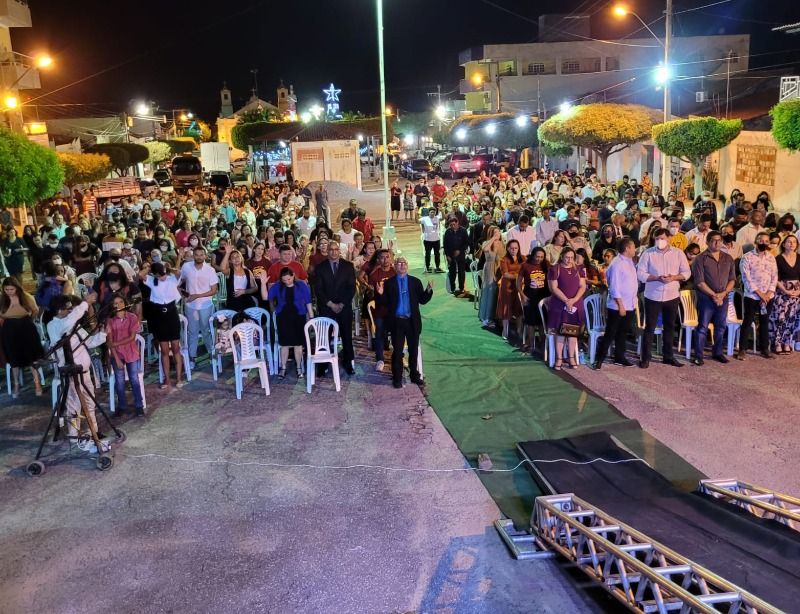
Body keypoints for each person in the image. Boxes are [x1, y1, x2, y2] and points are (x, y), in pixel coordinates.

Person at [46, 293, 102, 453]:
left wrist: (103, 334)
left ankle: (94, 433)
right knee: (74, 407)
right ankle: (74, 438)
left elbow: (89, 342)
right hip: (71, 374)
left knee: (90, 404)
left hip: (84, 372)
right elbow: (67, 323)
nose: (72, 311)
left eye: (72, 309)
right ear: (58, 310)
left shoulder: (73, 324)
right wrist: (84, 304)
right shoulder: (54, 325)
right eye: (68, 309)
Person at [636, 228, 691, 368]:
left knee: (670, 327)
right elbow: (640, 273)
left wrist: (674, 277)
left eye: (662, 238)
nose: (660, 241)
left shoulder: (678, 253)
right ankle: (645, 357)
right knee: (650, 327)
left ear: (669, 238)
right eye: (657, 238)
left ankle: (668, 356)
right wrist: (656, 278)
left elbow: (686, 272)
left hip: (672, 295)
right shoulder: (648, 253)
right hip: (653, 295)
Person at [375, 256, 433, 388]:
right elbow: (384, 303)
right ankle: (397, 377)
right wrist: (380, 293)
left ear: (407, 266)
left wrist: (428, 291)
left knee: (413, 350)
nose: (401, 265)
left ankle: (414, 375)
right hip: (397, 322)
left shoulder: (415, 282)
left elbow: (422, 300)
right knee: (398, 351)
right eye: (399, 263)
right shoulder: (389, 283)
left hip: (412, 321)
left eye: (404, 263)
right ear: (394, 267)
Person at [690, 231, 736, 366]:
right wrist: (714, 295)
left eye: (719, 240)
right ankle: (698, 355)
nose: (717, 243)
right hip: (706, 298)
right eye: (713, 240)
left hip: (723, 297)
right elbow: (699, 282)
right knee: (702, 326)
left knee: (721, 326)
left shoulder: (728, 258)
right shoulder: (700, 259)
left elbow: (732, 279)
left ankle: (718, 353)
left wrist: (723, 294)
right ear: (707, 242)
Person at [592, 238, 638, 369]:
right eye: (633, 246)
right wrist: (621, 305)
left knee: (622, 333)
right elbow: (614, 287)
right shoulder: (617, 264)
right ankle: (599, 359)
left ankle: (619, 357)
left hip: (630, 304)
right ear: (627, 248)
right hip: (618, 306)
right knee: (610, 333)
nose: (635, 249)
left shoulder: (630, 262)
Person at [141, 261, 185, 389]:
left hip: (172, 313)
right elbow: (140, 274)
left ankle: (179, 378)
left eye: (163, 274)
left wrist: (167, 268)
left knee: (176, 348)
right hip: (159, 315)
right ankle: (167, 380)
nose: (162, 277)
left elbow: (178, 272)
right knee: (164, 350)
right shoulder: (151, 280)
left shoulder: (172, 279)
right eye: (159, 275)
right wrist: (150, 267)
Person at [314, 242, 356, 375]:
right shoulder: (320, 268)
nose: (333, 252)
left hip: (344, 307)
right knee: (324, 337)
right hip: (326, 308)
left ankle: (348, 362)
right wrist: (331, 304)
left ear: (339, 251)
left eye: (336, 249)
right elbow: (318, 290)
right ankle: (322, 365)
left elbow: (351, 288)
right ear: (327, 251)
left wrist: (342, 304)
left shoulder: (348, 266)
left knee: (346, 336)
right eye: (330, 249)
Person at [263, 267, 313, 378]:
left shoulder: (301, 285)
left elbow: (308, 302)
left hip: (299, 316)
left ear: (293, 275)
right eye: (284, 280)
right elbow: (265, 297)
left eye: (289, 279)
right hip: (283, 317)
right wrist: (263, 284)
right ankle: (283, 367)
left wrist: (311, 317)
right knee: (284, 344)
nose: (287, 282)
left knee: (298, 344)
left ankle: (299, 367)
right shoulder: (278, 285)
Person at [0, 277, 44, 397]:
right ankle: (16, 385)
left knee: (32, 356)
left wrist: (29, 320)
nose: (9, 291)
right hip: (9, 327)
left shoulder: (26, 297)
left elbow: (35, 310)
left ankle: (37, 383)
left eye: (12, 289)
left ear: (17, 288)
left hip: (26, 326)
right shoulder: (2, 299)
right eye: (6, 289)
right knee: (13, 358)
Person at [738, 232, 778, 360]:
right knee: (748, 321)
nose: (764, 243)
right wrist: (760, 294)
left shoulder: (771, 257)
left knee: (764, 322)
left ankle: (764, 349)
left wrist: (768, 293)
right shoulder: (747, 257)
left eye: (767, 241)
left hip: (768, 296)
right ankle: (742, 349)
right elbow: (746, 278)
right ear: (756, 241)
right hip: (752, 295)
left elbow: (775, 276)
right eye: (761, 240)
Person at [105, 293, 145, 415]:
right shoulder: (110, 320)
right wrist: (116, 358)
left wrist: (115, 344)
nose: (119, 305)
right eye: (116, 303)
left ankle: (139, 405)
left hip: (131, 352)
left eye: (121, 302)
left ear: (125, 303)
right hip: (117, 354)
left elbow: (132, 337)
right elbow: (109, 341)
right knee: (119, 381)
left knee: (134, 379)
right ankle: (122, 406)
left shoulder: (132, 317)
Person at [546, 247, 586, 369]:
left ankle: (571, 357)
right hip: (559, 303)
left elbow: (582, 286)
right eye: (567, 257)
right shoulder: (555, 269)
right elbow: (554, 288)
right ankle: (559, 358)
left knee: (573, 331)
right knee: (560, 331)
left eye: (571, 258)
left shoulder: (579, 269)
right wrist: (566, 301)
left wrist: (573, 300)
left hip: (575, 303)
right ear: (562, 256)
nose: (569, 260)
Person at [179, 246, 219, 369]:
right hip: (190, 305)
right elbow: (179, 282)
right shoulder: (186, 267)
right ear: (193, 255)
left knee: (206, 330)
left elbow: (214, 290)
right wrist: (183, 294)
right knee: (192, 332)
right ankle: (192, 357)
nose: (199, 257)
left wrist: (197, 296)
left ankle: (211, 353)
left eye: (201, 255)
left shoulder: (210, 270)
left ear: (205, 256)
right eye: (196, 255)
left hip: (206, 304)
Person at [770, 234, 800, 354]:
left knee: (792, 318)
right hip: (782, 292)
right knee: (781, 318)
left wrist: (798, 291)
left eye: (794, 242)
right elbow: (775, 278)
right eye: (789, 242)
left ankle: (787, 342)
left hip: (796, 293)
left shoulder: (799, 257)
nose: (792, 244)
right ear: (783, 244)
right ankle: (777, 343)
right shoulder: (778, 259)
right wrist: (786, 290)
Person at [368, 249, 396, 372]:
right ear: (378, 260)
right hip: (380, 309)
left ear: (391, 258)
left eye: (387, 257)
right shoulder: (375, 275)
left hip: (394, 309)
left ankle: (398, 356)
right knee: (379, 333)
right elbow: (370, 293)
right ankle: (380, 359)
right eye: (382, 257)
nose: (385, 260)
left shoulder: (396, 272)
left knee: (398, 332)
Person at [518, 246, 549, 352]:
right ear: (533, 255)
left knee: (542, 322)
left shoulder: (546, 264)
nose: (539, 259)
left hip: (542, 296)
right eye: (537, 256)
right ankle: (531, 344)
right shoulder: (525, 265)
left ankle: (543, 343)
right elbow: (518, 282)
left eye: (541, 257)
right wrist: (522, 295)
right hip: (530, 296)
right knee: (530, 322)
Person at [497, 239, 523, 340]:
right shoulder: (504, 259)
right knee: (506, 309)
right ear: (508, 248)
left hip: (519, 286)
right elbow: (505, 274)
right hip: (507, 286)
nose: (514, 250)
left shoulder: (523, 258)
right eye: (511, 248)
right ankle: (505, 330)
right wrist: (519, 276)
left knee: (519, 309)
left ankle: (519, 330)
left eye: (516, 248)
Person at [220, 246, 258, 312]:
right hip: (233, 302)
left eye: (237, 256)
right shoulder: (229, 271)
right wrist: (227, 253)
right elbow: (222, 268)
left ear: (241, 258)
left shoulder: (247, 271)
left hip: (246, 301)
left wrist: (244, 291)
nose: (236, 258)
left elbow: (255, 288)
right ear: (230, 261)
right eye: (233, 257)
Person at [478, 226, 503, 327]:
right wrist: (493, 239)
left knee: (496, 293)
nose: (498, 234)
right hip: (489, 268)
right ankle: (486, 317)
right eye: (495, 233)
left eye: (499, 232)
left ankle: (493, 316)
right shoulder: (487, 243)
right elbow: (485, 249)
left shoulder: (501, 244)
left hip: (498, 269)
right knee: (489, 292)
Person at [443, 216, 470, 296]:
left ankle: (461, 288)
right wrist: (447, 255)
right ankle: (452, 288)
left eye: (454, 224)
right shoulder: (448, 232)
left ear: (457, 223)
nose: (452, 226)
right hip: (451, 255)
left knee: (461, 272)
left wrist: (460, 250)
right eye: (451, 225)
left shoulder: (463, 231)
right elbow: (445, 245)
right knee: (452, 272)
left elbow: (466, 243)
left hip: (461, 255)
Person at [420, 207, 443, 274]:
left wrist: (442, 211)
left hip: (436, 240)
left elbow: (443, 218)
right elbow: (416, 221)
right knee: (428, 254)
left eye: (434, 212)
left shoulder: (437, 218)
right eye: (431, 212)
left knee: (437, 254)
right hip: (427, 240)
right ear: (429, 212)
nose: (432, 213)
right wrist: (416, 213)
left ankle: (437, 267)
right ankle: (427, 267)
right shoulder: (424, 219)